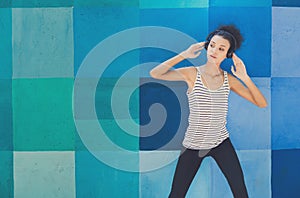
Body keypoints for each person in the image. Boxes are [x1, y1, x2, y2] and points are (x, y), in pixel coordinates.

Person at [150, 24, 267, 198]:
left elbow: (261, 103)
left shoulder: (229, 79)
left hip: (221, 143)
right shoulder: (191, 74)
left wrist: (245, 77)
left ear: (228, 54)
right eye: (212, 45)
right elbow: (155, 73)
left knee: (241, 193)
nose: (214, 51)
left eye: (221, 48)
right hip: (193, 146)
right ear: (207, 45)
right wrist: (184, 54)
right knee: (176, 195)